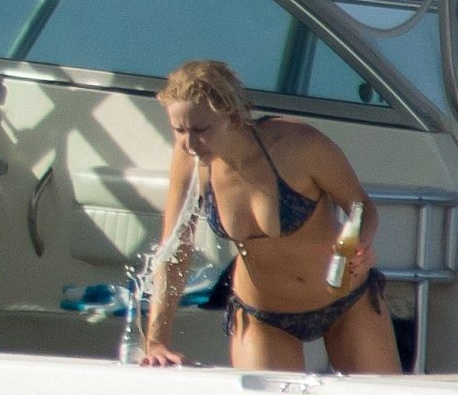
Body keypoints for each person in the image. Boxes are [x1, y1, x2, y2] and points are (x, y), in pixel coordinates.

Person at [143, 60, 401, 374]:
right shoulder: (191, 160)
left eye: (200, 130)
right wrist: (156, 342)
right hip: (262, 315)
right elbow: (173, 251)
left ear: (232, 116)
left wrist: (361, 240)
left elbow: (361, 207)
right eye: (179, 130)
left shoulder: (299, 145)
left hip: (347, 302)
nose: (190, 143)